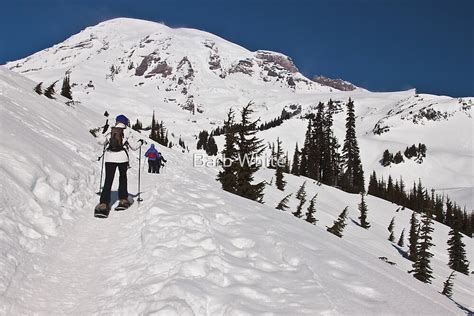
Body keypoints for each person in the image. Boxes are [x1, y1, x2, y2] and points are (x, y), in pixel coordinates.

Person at [95, 114, 142, 217]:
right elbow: (134, 147)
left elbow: (101, 142)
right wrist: (140, 143)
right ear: (125, 123)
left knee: (108, 180)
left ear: (117, 121)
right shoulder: (127, 131)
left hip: (109, 158)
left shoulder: (111, 130)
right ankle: (123, 200)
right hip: (122, 159)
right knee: (122, 178)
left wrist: (103, 133)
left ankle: (103, 204)